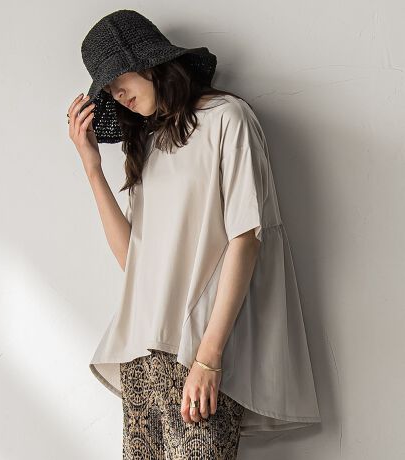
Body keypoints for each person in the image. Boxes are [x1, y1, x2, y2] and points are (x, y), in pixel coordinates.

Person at [68, 9, 321, 459]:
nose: (116, 94)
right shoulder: (148, 143)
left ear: (148, 61)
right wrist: (92, 169)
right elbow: (134, 264)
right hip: (141, 355)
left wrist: (209, 356)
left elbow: (247, 239)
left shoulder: (228, 119)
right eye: (107, 90)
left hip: (198, 350)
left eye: (118, 78)